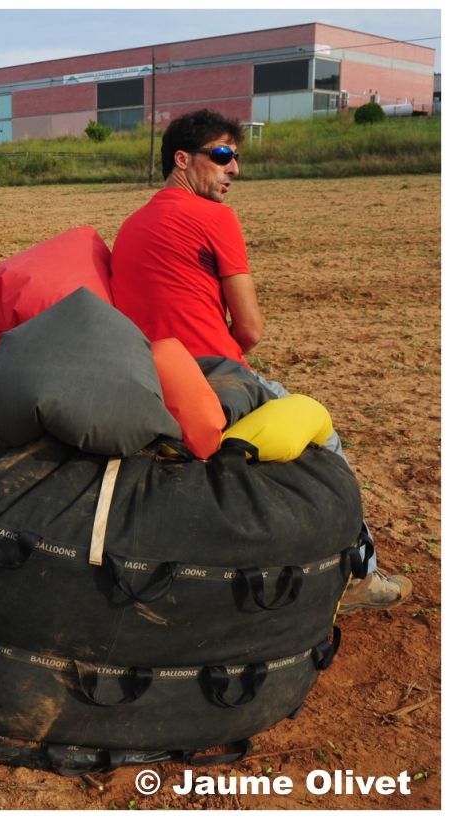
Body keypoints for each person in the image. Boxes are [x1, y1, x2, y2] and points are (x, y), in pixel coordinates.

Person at [109, 108, 410, 613]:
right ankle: (364, 574)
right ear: (183, 159)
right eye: (223, 156)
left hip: (149, 379)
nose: (234, 169)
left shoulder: (133, 223)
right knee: (325, 438)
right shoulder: (214, 217)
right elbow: (249, 328)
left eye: (236, 158)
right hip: (213, 373)